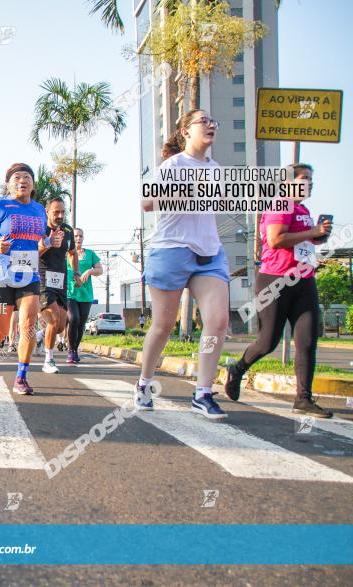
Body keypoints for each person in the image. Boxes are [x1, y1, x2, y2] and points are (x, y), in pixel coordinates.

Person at [137, 109, 230, 420]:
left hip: (209, 252)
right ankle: (144, 383)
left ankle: (203, 393)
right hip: (171, 251)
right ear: (186, 131)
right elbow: (147, 202)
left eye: (212, 121)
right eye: (202, 121)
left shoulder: (217, 169)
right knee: (163, 326)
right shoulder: (173, 165)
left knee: (217, 321)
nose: (210, 124)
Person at [224, 163, 333, 418]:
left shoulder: (303, 208)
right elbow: (275, 239)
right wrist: (312, 231)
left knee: (307, 341)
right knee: (267, 342)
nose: (310, 183)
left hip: (304, 279)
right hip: (275, 281)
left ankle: (303, 398)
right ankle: (237, 370)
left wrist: (319, 236)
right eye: (305, 178)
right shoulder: (279, 204)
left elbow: (303, 238)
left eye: (311, 180)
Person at [0, 162, 65, 394]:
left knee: (28, 326)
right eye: (16, 178)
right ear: (8, 184)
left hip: (28, 274)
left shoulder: (37, 211)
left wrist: (47, 243)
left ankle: (21, 377)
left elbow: (38, 246)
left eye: (26, 177)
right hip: (1, 274)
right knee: (0, 332)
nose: (21, 181)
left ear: (33, 184)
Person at [38, 198, 79, 373]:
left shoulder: (68, 231)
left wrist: (76, 272)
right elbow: (35, 251)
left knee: (61, 325)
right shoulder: (40, 228)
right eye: (56, 212)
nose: (60, 215)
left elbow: (72, 253)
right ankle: (49, 360)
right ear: (47, 212)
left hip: (61, 279)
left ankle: (40, 335)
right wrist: (49, 242)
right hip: (42, 278)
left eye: (63, 212)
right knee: (54, 319)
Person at [66, 228, 102, 363]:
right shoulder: (67, 254)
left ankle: (75, 349)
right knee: (73, 318)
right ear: (71, 238)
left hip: (86, 295)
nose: (78, 238)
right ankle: (70, 349)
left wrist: (90, 271)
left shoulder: (90, 254)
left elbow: (100, 270)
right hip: (70, 292)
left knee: (81, 324)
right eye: (75, 236)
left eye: (80, 236)